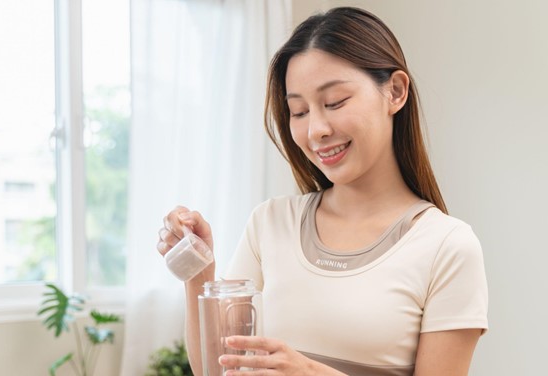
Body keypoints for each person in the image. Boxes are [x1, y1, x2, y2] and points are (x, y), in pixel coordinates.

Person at [156, 6, 488, 376]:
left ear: (395, 91)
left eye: (335, 103)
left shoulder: (447, 245)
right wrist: (198, 271)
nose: (316, 130)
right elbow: (217, 369)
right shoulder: (270, 222)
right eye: (298, 111)